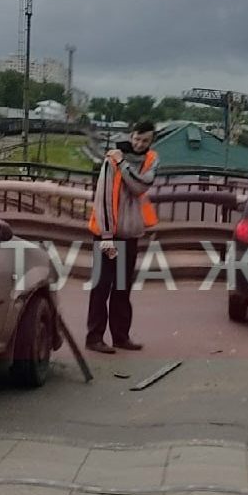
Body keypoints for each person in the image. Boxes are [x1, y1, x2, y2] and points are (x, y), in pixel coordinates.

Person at [85, 119, 159, 353]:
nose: (139, 144)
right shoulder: (111, 160)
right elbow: (104, 198)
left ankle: (120, 336)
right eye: (136, 138)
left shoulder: (150, 160)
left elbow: (140, 185)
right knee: (101, 287)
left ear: (151, 141)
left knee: (122, 287)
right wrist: (106, 235)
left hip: (130, 234)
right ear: (131, 135)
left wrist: (124, 163)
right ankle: (94, 337)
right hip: (108, 234)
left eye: (145, 140)